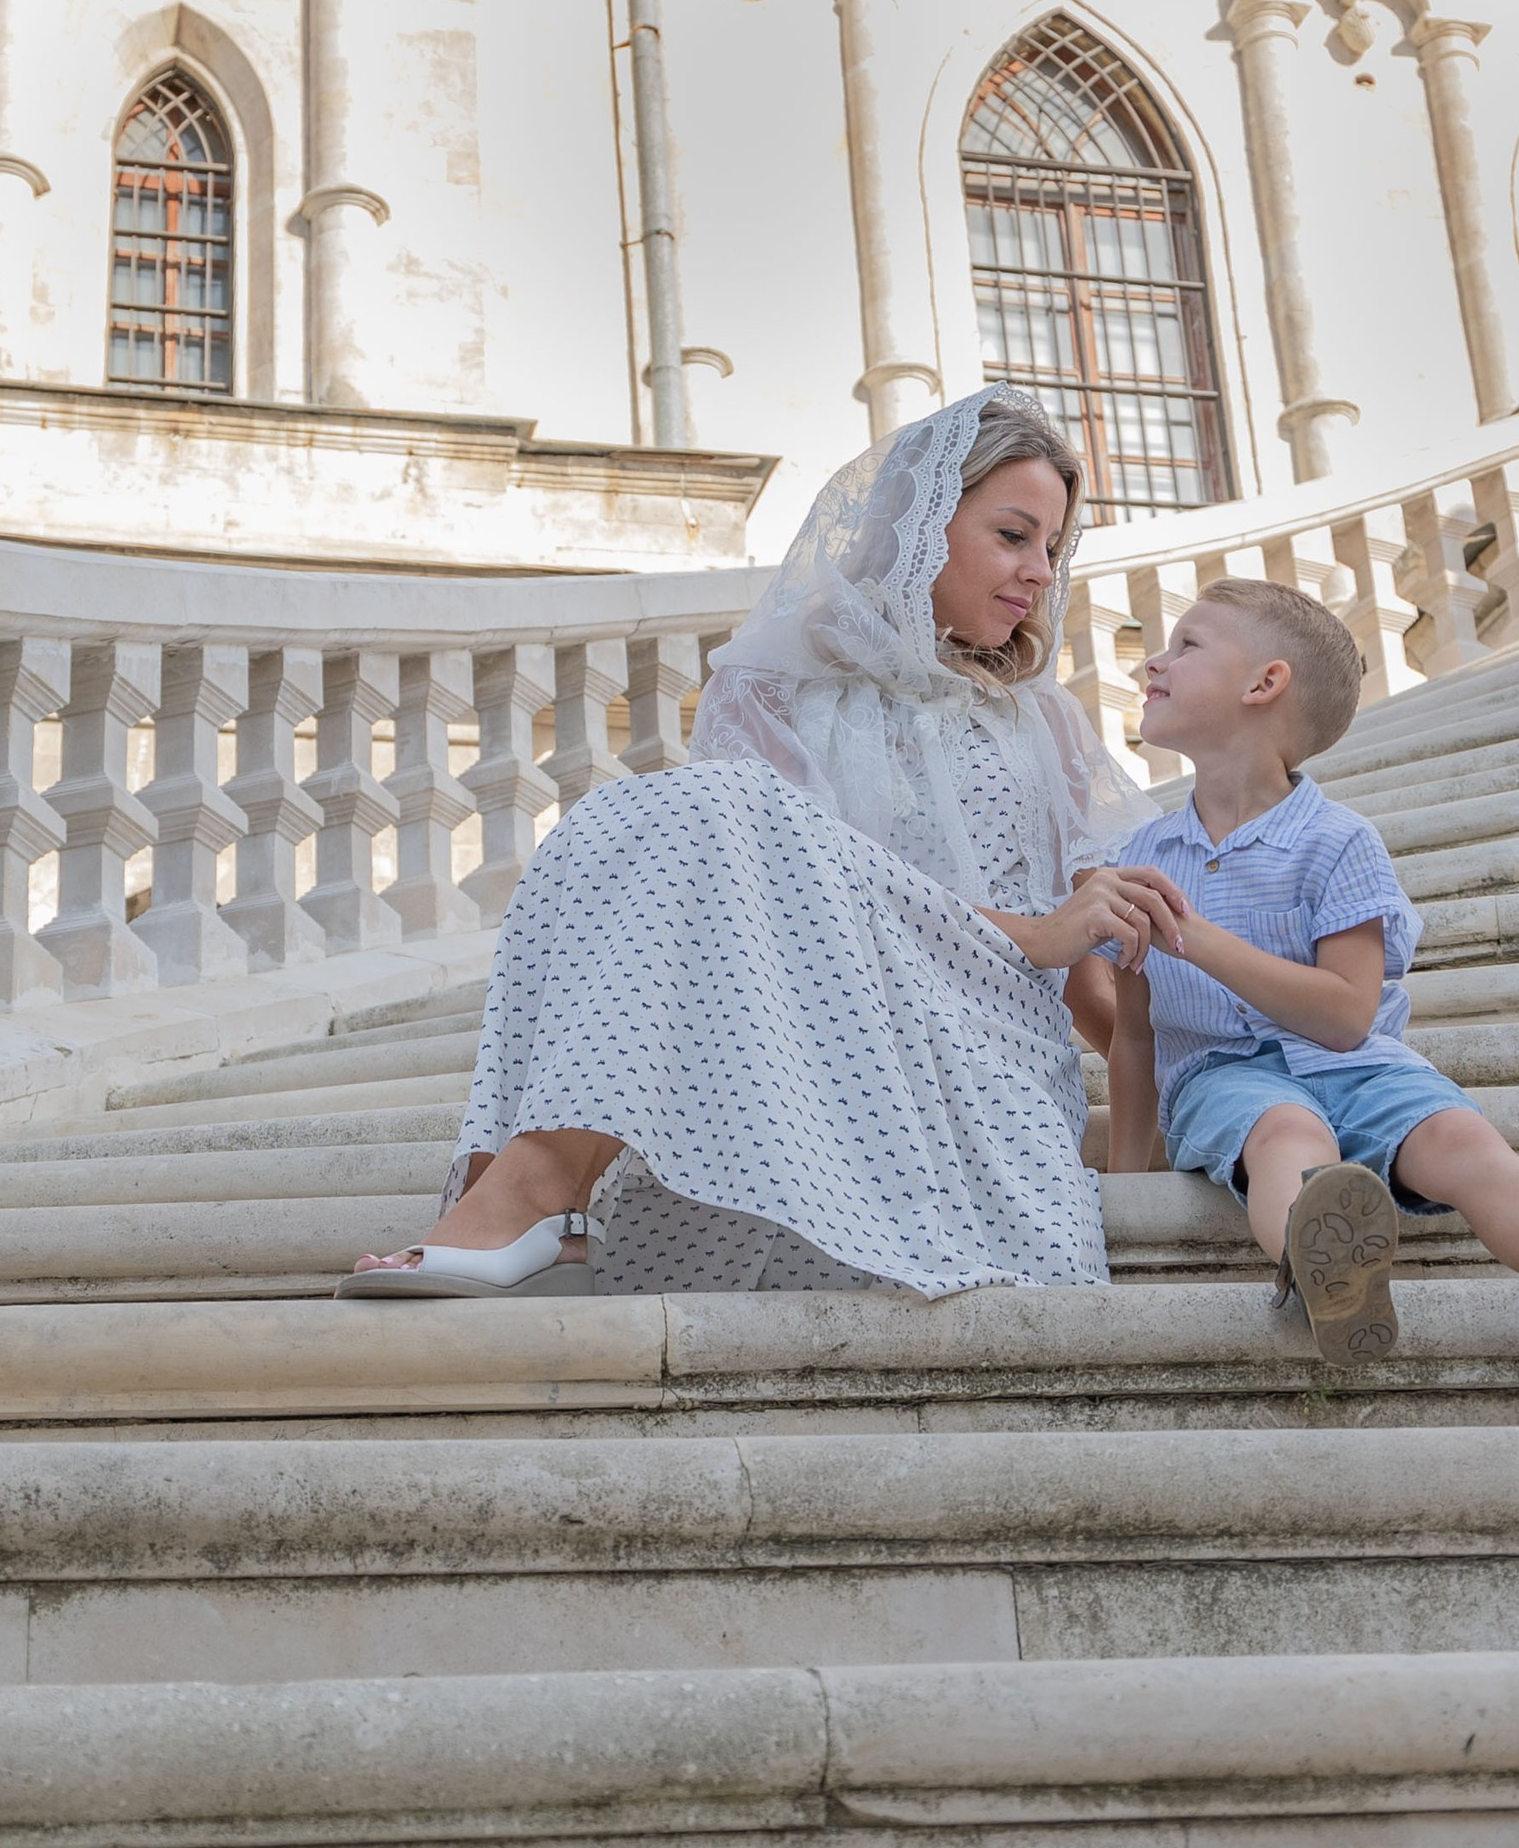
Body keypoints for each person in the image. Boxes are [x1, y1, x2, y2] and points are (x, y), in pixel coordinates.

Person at [347, 389, 1183, 1302]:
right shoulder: (773, 690)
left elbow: (1101, 989)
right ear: (916, 525)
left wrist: (1223, 1098)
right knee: (623, 819)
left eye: (1054, 551)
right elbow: (759, 916)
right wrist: (1041, 932)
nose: (1040, 574)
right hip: (812, 1042)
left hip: (977, 1066)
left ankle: (537, 1195)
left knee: (718, 804)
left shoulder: (1043, 724)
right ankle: (530, 1190)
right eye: (1014, 536)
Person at [1104, 577, 1519, 1389]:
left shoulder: (1339, 842)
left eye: (1187, 645)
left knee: (1462, 1142)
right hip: (1225, 1076)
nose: (1154, 664)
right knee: (1286, 1134)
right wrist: (1128, 1191)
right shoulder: (1140, 859)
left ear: (1264, 684)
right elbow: (1134, 1035)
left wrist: (1199, 940)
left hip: (1363, 1066)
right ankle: (1325, 1269)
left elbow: (1348, 1018)